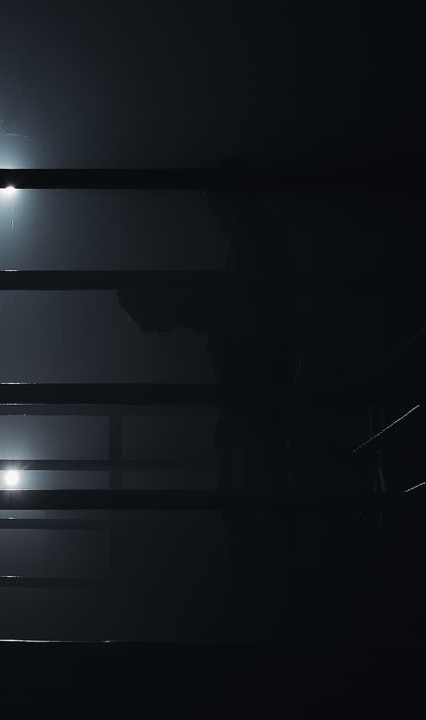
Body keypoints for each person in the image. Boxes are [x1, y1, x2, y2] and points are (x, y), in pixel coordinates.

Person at [116, 158, 296, 640]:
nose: (211, 212)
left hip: (250, 393)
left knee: (250, 500)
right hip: (249, 393)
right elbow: (236, 313)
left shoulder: (252, 245)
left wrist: (175, 309)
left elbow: (238, 317)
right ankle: (260, 610)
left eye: (214, 202)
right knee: (249, 499)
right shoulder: (253, 244)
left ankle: (257, 613)